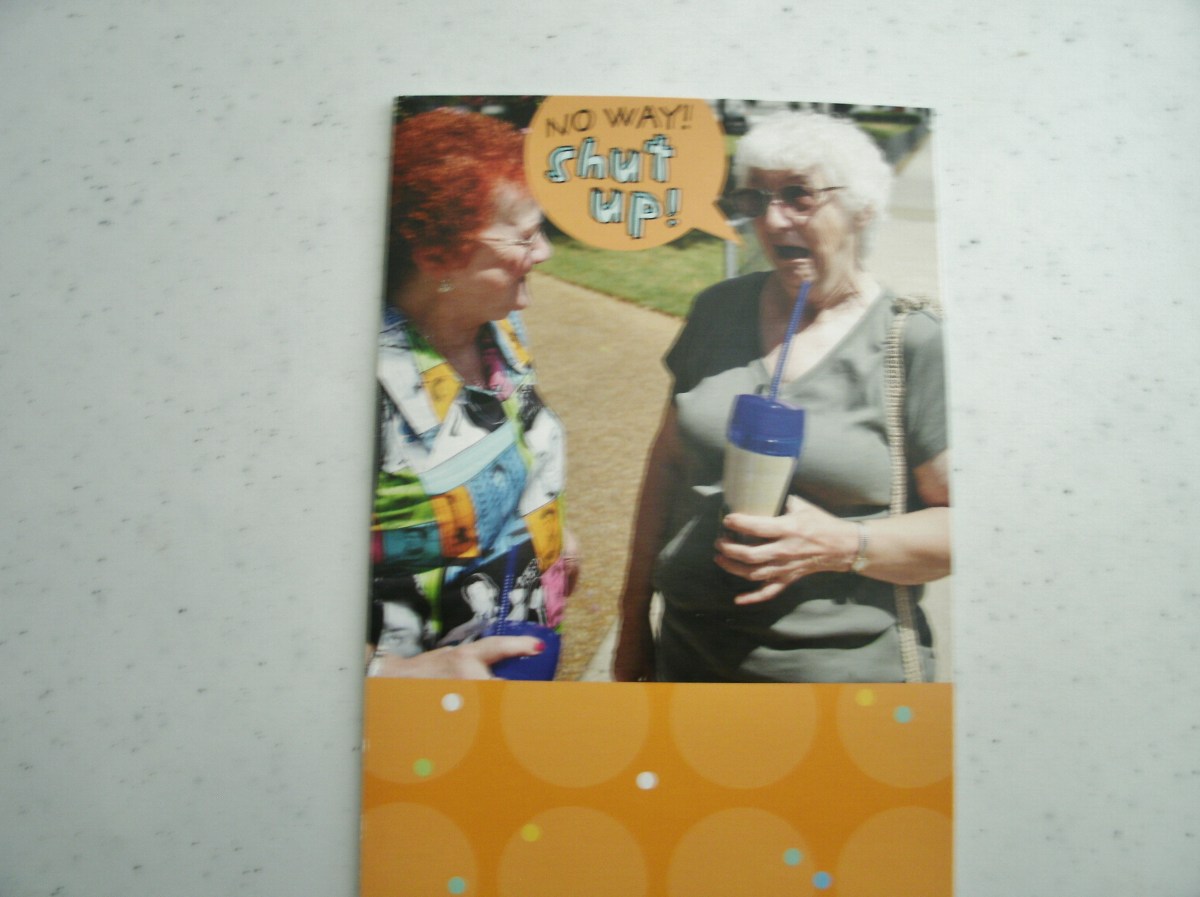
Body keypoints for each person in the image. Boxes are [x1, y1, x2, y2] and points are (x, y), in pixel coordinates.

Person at [613, 111, 949, 683]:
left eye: (798, 196)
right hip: (688, 658)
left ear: (862, 206)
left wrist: (843, 544)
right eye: (756, 198)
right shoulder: (718, 310)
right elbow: (667, 465)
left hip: (838, 682)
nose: (771, 220)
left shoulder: (911, 342)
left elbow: (962, 530)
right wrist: (632, 620)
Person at [367, 108, 579, 679]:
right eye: (526, 236)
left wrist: (552, 534)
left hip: (523, 656)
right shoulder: (359, 389)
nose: (545, 252)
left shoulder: (503, 330)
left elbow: (519, 448)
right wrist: (400, 675)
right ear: (437, 255)